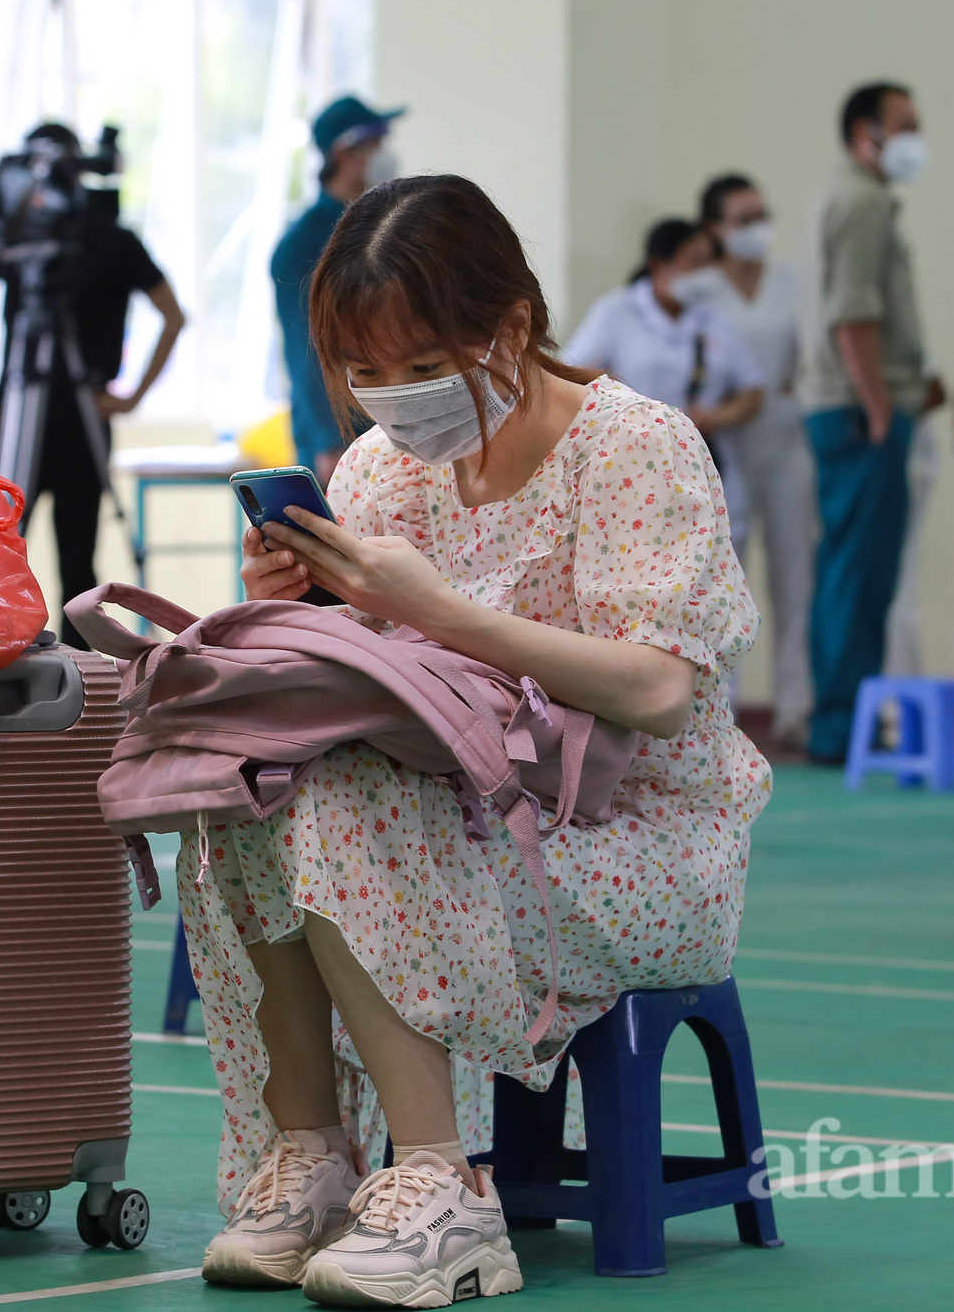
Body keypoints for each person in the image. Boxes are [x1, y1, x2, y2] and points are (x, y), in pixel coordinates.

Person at [191, 174, 766, 1306]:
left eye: (419, 366)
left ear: (508, 328)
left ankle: (442, 1188)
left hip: (635, 836)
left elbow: (655, 689)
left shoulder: (634, 450)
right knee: (243, 787)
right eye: (366, 372)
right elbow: (367, 688)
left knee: (360, 806)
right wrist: (300, 606)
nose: (393, 400)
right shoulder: (374, 472)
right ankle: (314, 1152)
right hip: (461, 799)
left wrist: (442, 612)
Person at [0, 122, 186, 650]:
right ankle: (75, 681)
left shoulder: (16, 239)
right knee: (31, 551)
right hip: (41, 410)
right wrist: (129, 397)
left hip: (48, 411)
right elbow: (172, 315)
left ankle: (35, 673)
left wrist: (133, 397)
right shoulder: (100, 238)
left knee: (8, 550)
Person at [797, 81, 946, 765]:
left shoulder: (855, 198)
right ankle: (840, 725)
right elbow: (852, 314)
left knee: (848, 567)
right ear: (866, 133)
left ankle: (841, 719)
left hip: (850, 405)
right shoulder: (861, 203)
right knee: (860, 574)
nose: (917, 138)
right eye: (905, 125)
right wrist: (882, 403)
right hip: (861, 414)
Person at [688, 175, 817, 747]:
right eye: (743, 218)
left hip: (786, 444)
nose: (757, 228)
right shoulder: (696, 290)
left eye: (763, 214)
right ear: (716, 229)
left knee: (797, 580)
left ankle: (795, 708)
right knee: (723, 586)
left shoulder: (794, 283)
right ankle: (723, 715)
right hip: (720, 453)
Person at [562, 218, 765, 550]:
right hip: (633, 463)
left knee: (712, 567)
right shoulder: (616, 312)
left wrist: (721, 415)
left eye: (708, 263)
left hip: (704, 460)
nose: (705, 273)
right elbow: (570, 375)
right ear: (659, 264)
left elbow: (752, 390)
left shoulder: (715, 317)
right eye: (694, 263)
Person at [272, 95, 404, 486]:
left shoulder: (372, 230)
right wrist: (331, 442)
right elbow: (308, 351)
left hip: (380, 428)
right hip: (337, 440)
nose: (386, 152)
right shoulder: (305, 244)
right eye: (378, 140)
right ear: (348, 151)